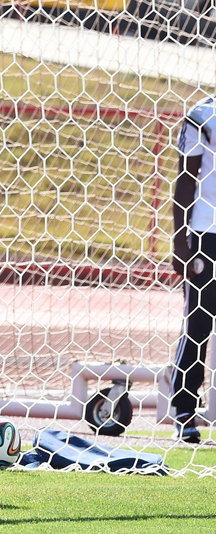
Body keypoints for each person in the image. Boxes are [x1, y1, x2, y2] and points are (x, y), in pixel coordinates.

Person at [170, 95, 216, 444]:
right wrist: (179, 241)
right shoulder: (202, 113)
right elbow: (186, 177)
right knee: (198, 322)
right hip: (207, 234)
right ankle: (184, 411)